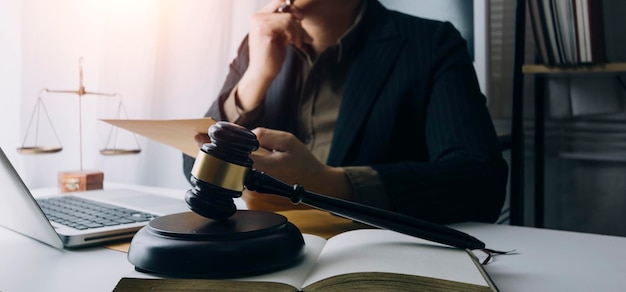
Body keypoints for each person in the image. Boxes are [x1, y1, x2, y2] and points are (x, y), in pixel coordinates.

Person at [183, 0, 508, 224]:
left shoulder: (432, 44)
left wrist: (332, 185)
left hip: (372, 254)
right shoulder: (260, 43)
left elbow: (482, 184)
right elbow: (193, 166)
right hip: (266, 243)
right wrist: (255, 77)